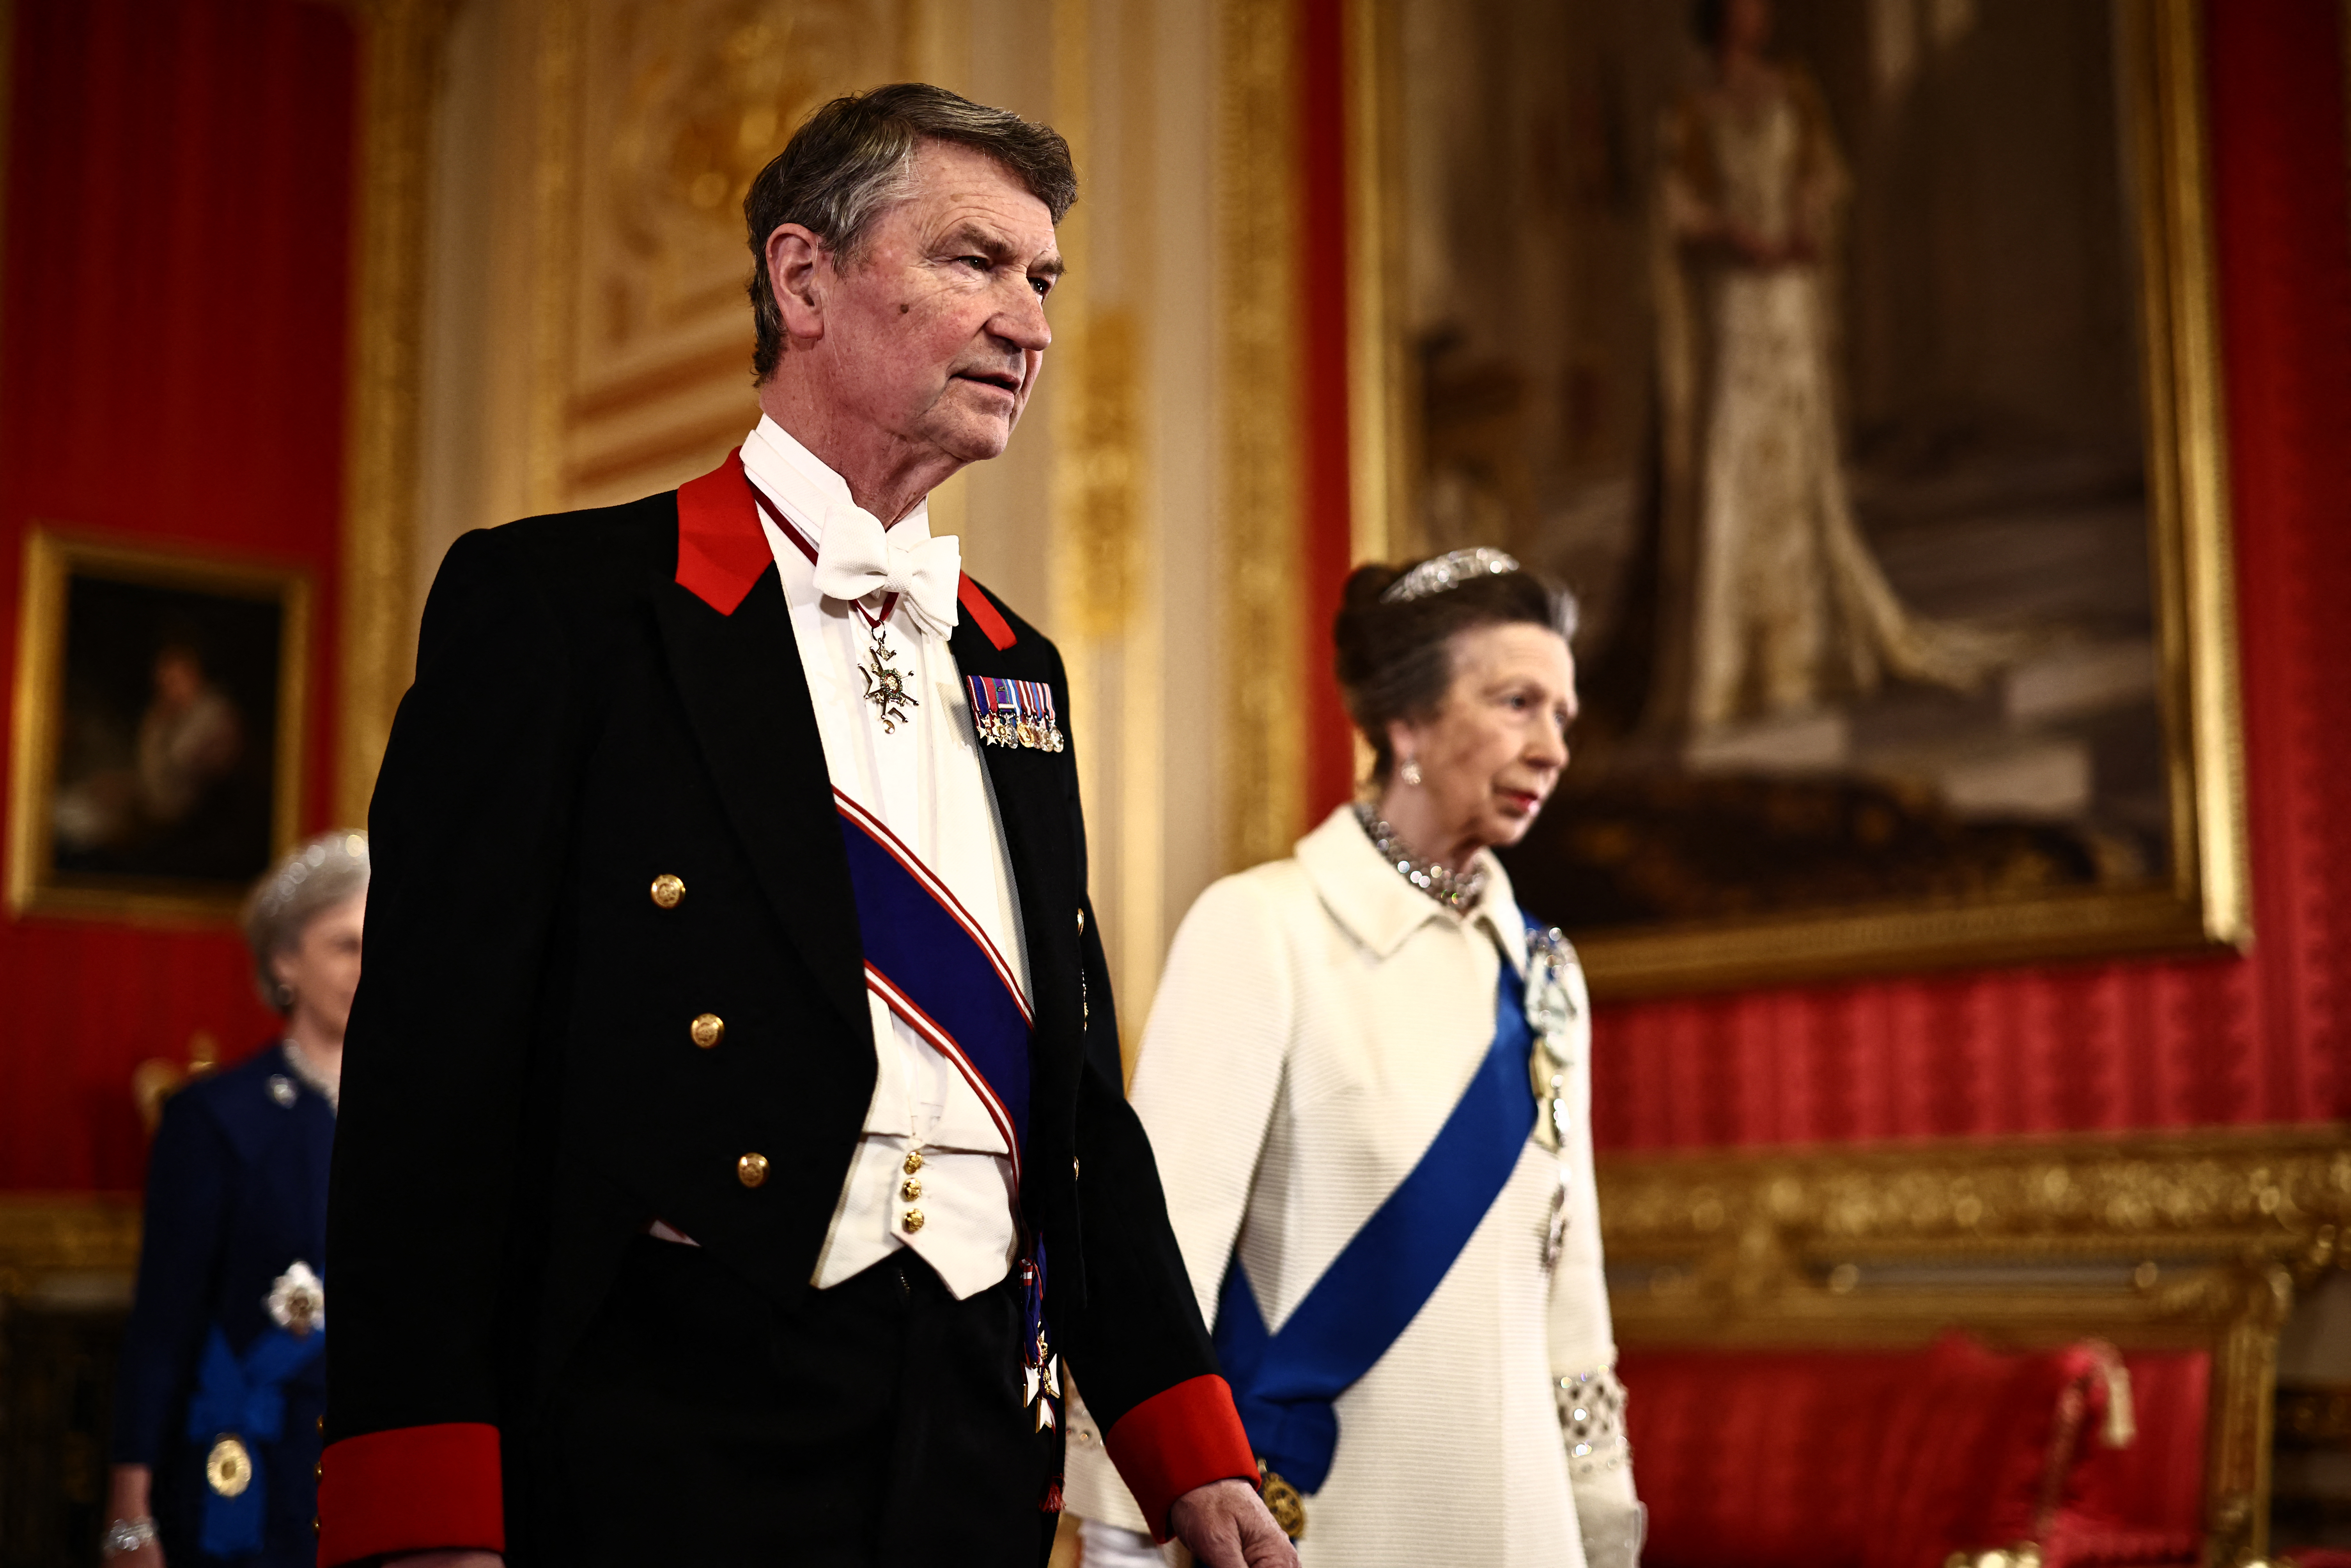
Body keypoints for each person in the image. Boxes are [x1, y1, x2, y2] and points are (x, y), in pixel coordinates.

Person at [316, 84, 1289, 1568]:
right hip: (666, 1421)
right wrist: (424, 1498)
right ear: (802, 277)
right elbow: (430, 1083)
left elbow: (1073, 1100)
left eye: (1043, 280)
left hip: (967, 1419)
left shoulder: (1014, 665)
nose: (1027, 322)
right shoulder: (563, 610)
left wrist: (1181, 1436)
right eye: (973, 262)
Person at [1066, 550, 1645, 1567]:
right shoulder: (1261, 929)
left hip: (1524, 1527)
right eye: (1517, 703)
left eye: (1563, 714)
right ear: (1405, 723)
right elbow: (1158, 1264)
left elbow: (1573, 1290)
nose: (1553, 747)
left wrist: (1601, 1524)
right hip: (1327, 1519)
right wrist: (1126, 1529)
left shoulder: (1547, 974)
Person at [1650, 0, 2019, 739]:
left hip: (1788, 297)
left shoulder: (1793, 90)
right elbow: (1675, 205)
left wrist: (1799, 225)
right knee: (1734, 459)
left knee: (1793, 460)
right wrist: (1733, 234)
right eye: (1737, 4)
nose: (1750, 14)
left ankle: (1807, 653)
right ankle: (1731, 666)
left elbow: (1824, 177)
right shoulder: (1690, 104)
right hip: (1733, 300)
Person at [104, 831, 369, 1567]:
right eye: (345, 945)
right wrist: (130, 1509)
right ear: (286, 961)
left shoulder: (425, 1119)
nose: (369, 966)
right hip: (250, 1473)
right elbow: (163, 1323)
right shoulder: (217, 1117)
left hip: (378, 1472)